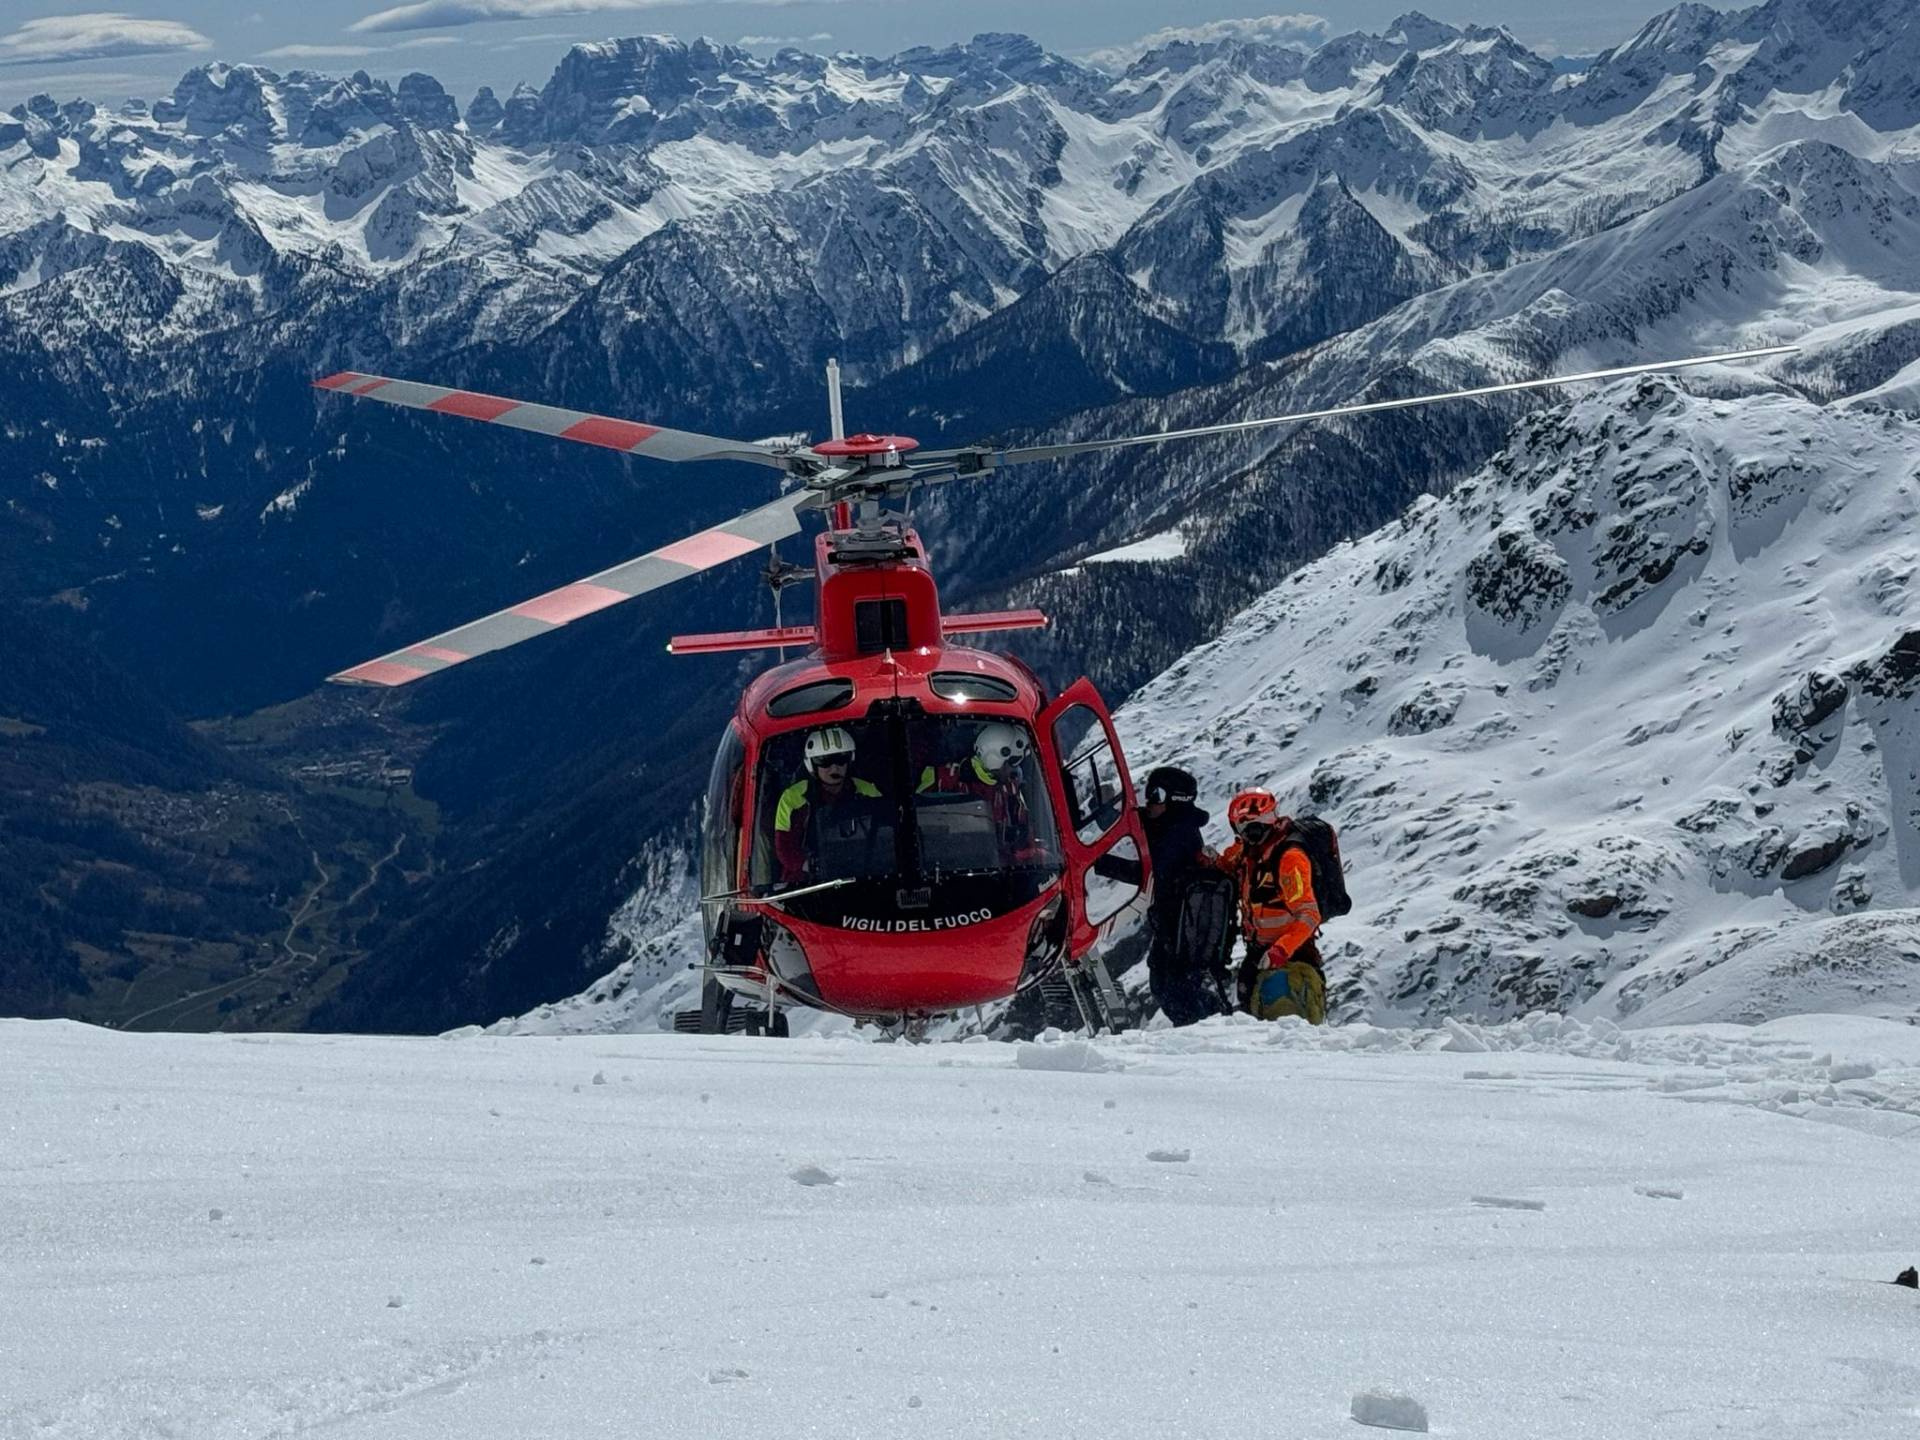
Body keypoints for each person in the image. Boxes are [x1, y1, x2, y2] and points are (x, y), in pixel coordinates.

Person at [1211, 788, 1326, 1024]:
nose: (1244, 836)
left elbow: (1309, 914)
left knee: (1285, 1021)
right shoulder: (1251, 853)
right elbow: (1228, 863)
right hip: (1259, 953)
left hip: (1292, 956)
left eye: (1246, 829)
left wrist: (1281, 950)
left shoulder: (1289, 858)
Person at [1137, 766, 1225, 1027]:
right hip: (1175, 925)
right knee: (1167, 986)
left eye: (1156, 795)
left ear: (1174, 800)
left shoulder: (1177, 834)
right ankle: (1212, 1024)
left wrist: (1097, 863)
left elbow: (1149, 871)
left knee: (1173, 991)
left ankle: (1209, 1031)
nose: (1149, 801)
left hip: (1182, 930)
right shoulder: (1171, 825)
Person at [773, 726, 882, 885]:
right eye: (824, 761)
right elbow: (784, 847)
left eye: (841, 759)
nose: (834, 768)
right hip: (808, 883)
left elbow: (884, 838)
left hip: (863, 875)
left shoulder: (868, 792)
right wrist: (809, 866)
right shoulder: (793, 798)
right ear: (812, 765)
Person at [918, 721, 1037, 859]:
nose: (1016, 770)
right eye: (1012, 762)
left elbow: (1024, 836)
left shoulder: (1010, 789)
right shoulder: (943, 779)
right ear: (994, 759)